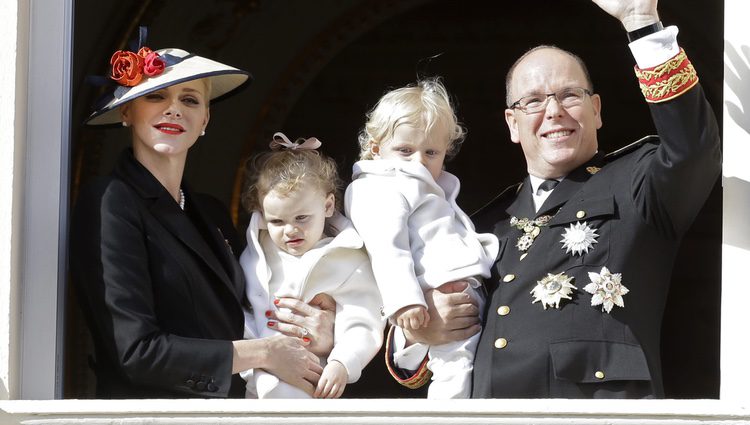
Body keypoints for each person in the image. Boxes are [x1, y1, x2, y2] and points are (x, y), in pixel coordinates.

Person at [386, 0, 722, 398]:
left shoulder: (638, 184)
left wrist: (641, 23)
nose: (553, 111)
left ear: (596, 111)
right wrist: (418, 328)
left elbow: (692, 150)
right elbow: (428, 357)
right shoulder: (484, 223)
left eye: (570, 95)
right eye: (532, 101)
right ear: (512, 123)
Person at [70, 39, 336, 398]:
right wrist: (264, 353)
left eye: (190, 100)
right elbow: (133, 352)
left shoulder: (210, 212)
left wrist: (317, 326)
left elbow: (260, 304)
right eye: (156, 96)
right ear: (126, 111)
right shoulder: (109, 201)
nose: (174, 109)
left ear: (205, 119)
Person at [345, 79, 499, 398]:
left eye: (431, 151)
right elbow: (386, 247)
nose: (418, 161)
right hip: (433, 289)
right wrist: (405, 299)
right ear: (376, 149)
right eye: (405, 150)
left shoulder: (428, 185)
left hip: (457, 282)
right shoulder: (375, 187)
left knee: (469, 365)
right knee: (455, 368)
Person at [238, 133, 384, 399]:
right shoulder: (256, 255)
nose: (290, 230)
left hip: (315, 386)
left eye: (302, 217)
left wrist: (343, 361)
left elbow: (363, 317)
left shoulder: (348, 257)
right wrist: (253, 362)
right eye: (277, 222)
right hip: (259, 391)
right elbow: (241, 313)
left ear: (328, 206)